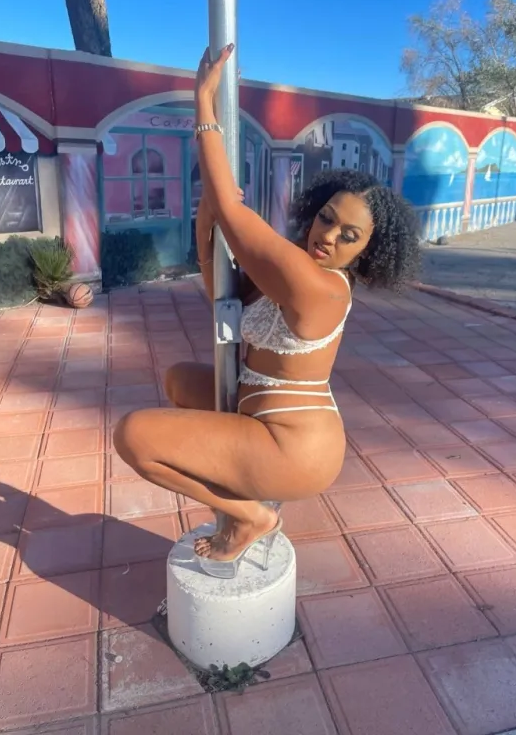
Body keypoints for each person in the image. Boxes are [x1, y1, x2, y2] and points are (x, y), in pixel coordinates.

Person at [114, 44, 420, 579]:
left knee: (134, 436)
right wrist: (207, 219)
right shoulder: (298, 265)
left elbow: (233, 214)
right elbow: (223, 297)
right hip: (256, 410)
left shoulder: (320, 287)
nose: (328, 236)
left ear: (367, 251)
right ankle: (239, 475)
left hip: (293, 446)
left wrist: (203, 102)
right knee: (180, 379)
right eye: (327, 218)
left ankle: (248, 515)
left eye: (349, 235)